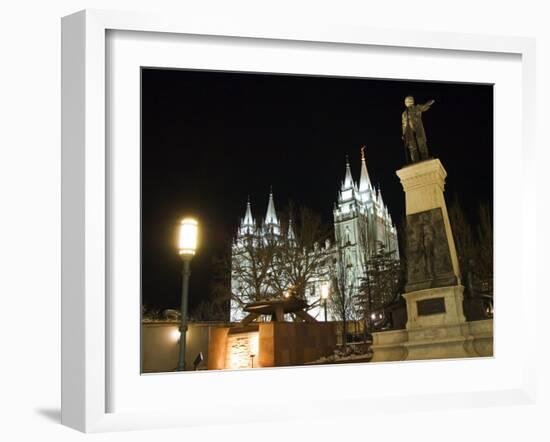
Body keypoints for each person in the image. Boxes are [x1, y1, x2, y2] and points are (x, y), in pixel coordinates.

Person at [402, 96, 435, 163]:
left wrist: (428, 104)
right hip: (409, 131)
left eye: (410, 100)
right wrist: (404, 134)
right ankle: (415, 161)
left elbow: (423, 107)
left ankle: (425, 158)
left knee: (421, 144)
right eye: (407, 100)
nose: (409, 101)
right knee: (412, 147)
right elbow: (404, 124)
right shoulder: (404, 113)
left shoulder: (417, 107)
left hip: (418, 129)